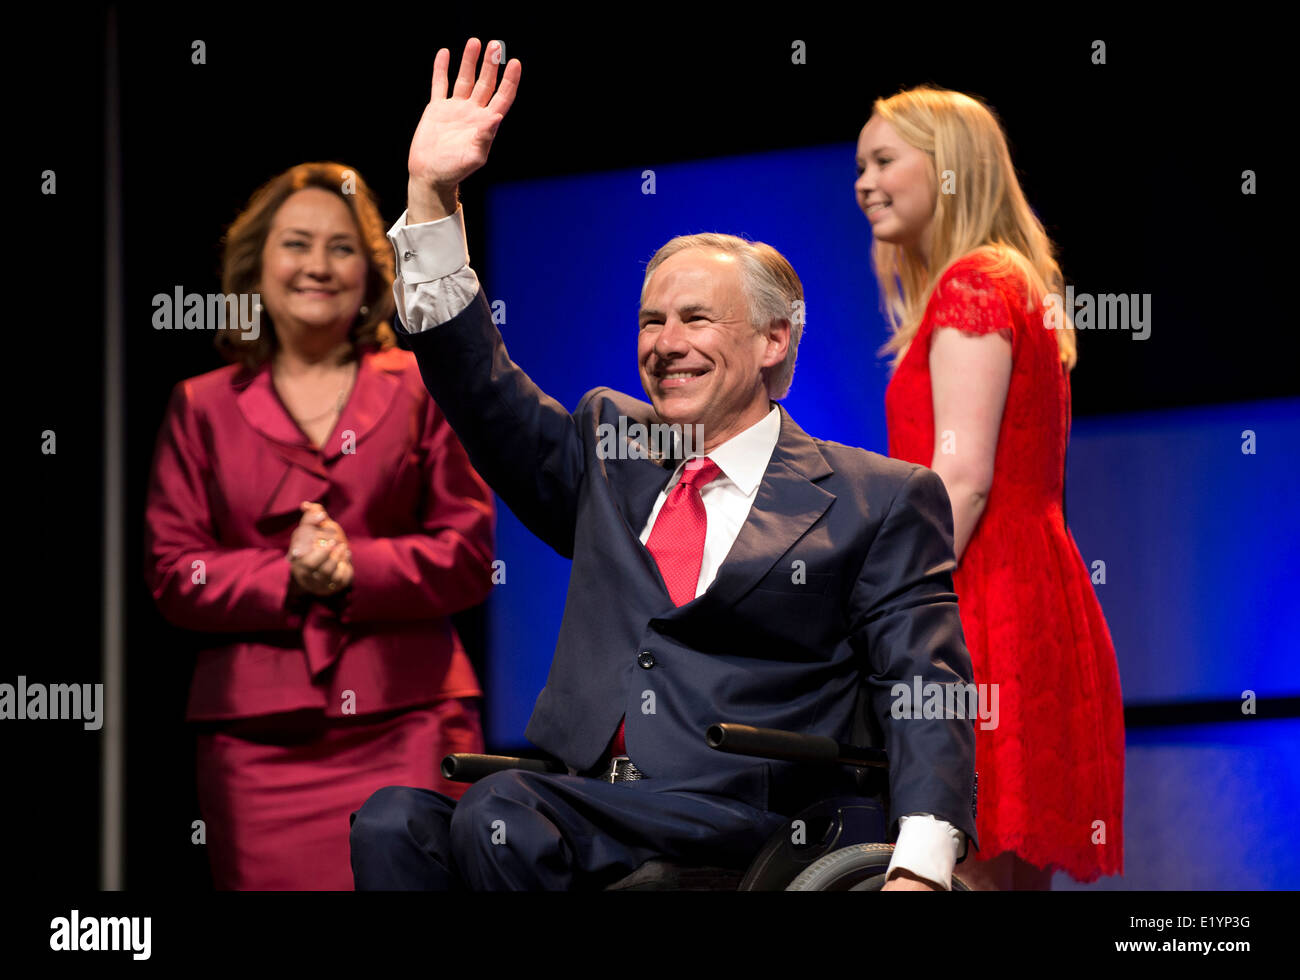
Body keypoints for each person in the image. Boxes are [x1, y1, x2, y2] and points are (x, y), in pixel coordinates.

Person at [348, 39, 978, 892]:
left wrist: (924, 862)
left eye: (695, 320)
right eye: (651, 322)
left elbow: (922, 685)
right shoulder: (612, 446)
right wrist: (432, 197)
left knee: (503, 815)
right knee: (393, 822)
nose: (666, 346)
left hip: (742, 812)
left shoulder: (878, 498)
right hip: (578, 800)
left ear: (772, 340)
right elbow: (479, 386)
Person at [143, 161, 496, 890]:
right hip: (255, 738)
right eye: (296, 244)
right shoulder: (200, 404)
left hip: (411, 721)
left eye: (341, 248)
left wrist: (352, 568)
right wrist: (285, 574)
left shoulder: (421, 384)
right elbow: (175, 572)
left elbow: (468, 553)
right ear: (257, 266)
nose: (318, 266)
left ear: (370, 272)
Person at [855, 87, 1125, 889]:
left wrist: (882, 597)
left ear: (948, 171)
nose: (863, 182)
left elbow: (961, 479)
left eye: (883, 161)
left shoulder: (974, 285)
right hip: (1018, 587)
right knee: (993, 869)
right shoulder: (1007, 279)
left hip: (984, 602)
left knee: (967, 858)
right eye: (859, 165)